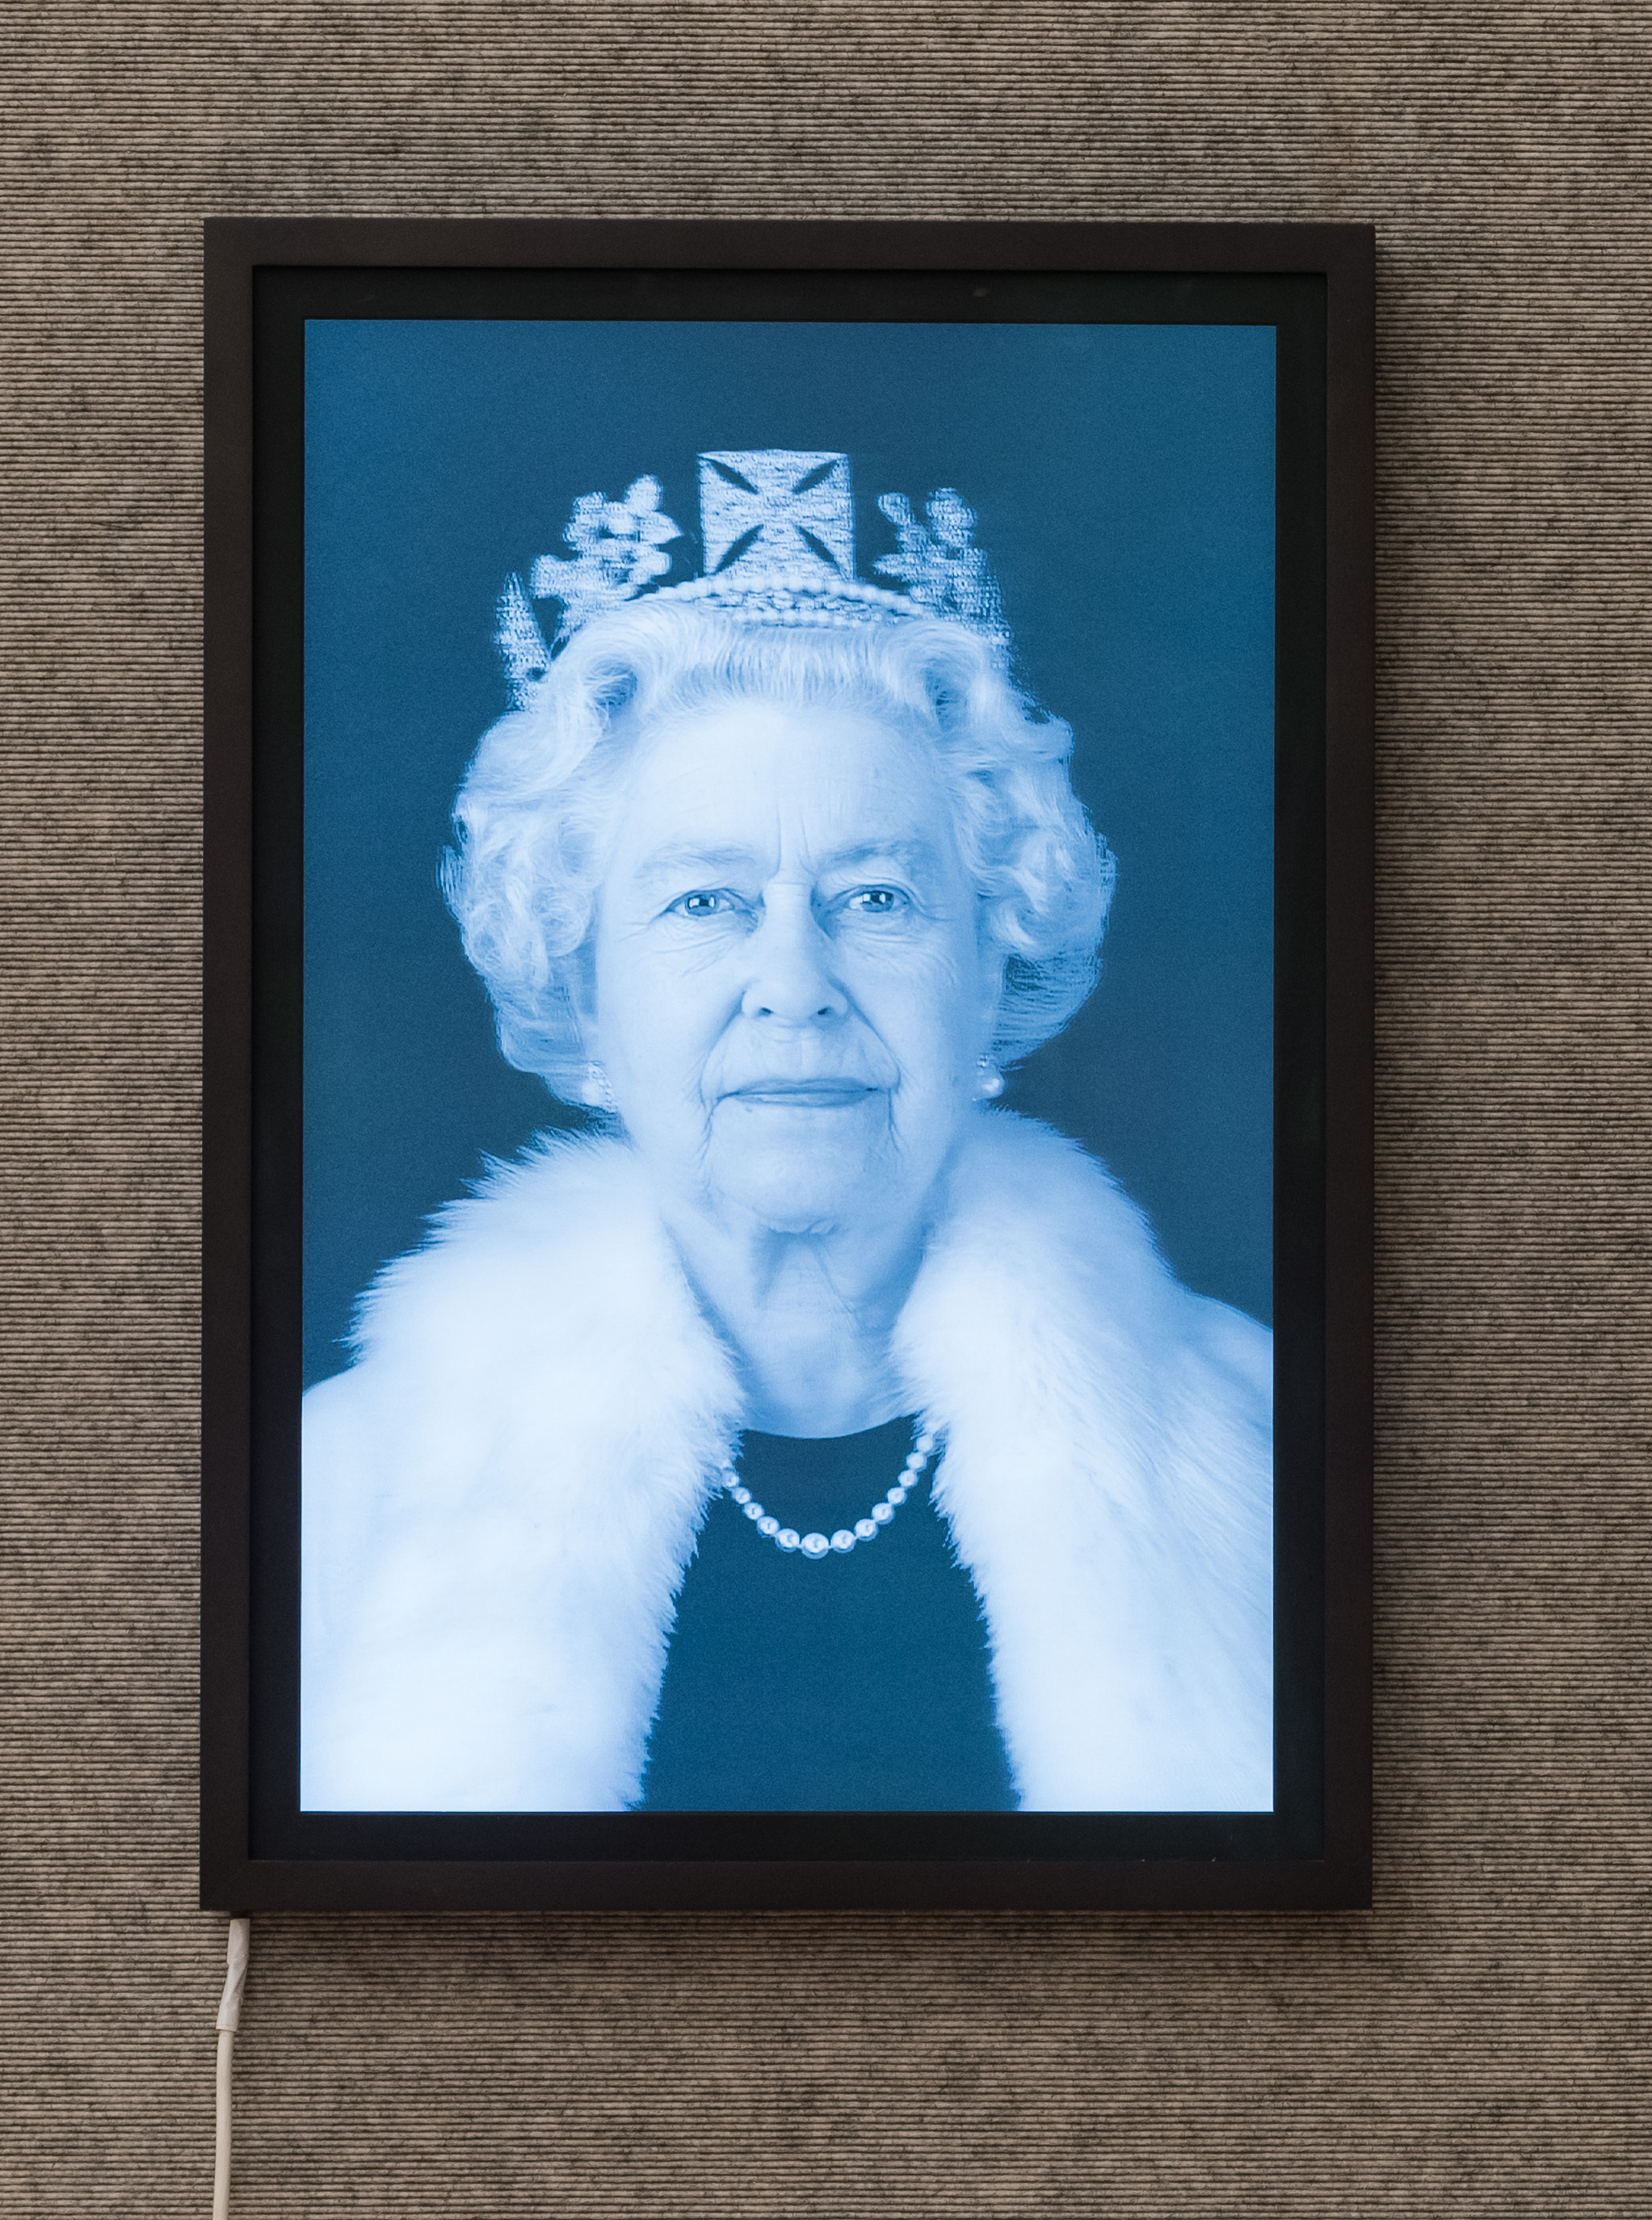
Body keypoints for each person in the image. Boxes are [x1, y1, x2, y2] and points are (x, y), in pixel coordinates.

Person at [299, 450, 1273, 1814]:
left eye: (878, 898)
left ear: (993, 965)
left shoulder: (1269, 1441)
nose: (795, 982)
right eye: (704, 903)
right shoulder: (332, 1494)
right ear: (582, 989)